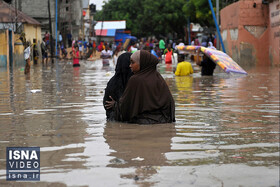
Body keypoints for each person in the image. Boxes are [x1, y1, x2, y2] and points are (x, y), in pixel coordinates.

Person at [105, 50, 175, 124]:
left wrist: (115, 105)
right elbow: (170, 103)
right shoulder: (159, 78)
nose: (130, 65)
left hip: (143, 123)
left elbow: (126, 106)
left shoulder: (135, 80)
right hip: (164, 122)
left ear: (142, 63)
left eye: (132, 62)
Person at [103, 53, 133, 120]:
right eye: (131, 63)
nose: (131, 66)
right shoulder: (131, 81)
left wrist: (116, 105)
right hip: (118, 119)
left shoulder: (112, 82)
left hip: (113, 120)